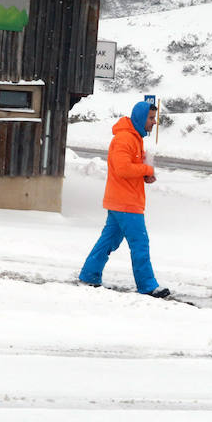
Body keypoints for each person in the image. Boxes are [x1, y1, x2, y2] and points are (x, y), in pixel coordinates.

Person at [78, 100, 171, 298]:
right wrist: (147, 169)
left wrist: (145, 175)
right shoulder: (124, 139)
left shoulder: (135, 138)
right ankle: (147, 285)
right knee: (140, 243)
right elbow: (122, 168)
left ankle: (89, 275)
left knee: (108, 241)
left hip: (121, 200)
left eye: (154, 118)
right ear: (140, 118)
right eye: (151, 118)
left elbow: (130, 168)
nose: (154, 122)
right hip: (126, 202)